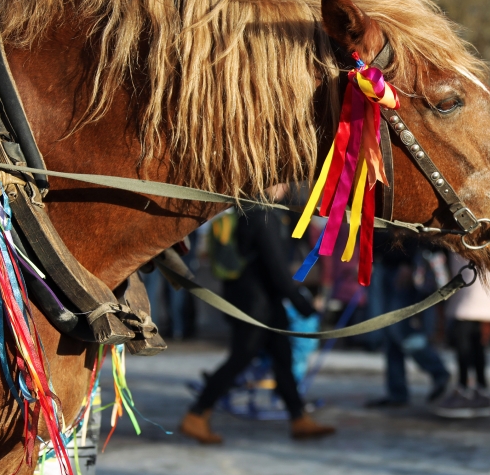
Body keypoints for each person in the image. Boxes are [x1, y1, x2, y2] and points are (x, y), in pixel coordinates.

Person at [179, 186, 335, 443]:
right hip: (256, 306)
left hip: (264, 303)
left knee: (282, 359)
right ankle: (196, 415)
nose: (285, 186)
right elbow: (277, 269)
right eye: (279, 181)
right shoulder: (262, 217)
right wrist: (302, 305)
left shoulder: (256, 213)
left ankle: (298, 418)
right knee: (241, 358)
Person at [364, 237, 450, 408]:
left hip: (403, 266)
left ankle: (438, 370)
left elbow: (417, 231)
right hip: (381, 263)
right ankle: (397, 392)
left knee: (399, 329)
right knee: (388, 333)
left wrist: (409, 261)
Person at [434, 253, 490, 418]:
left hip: (474, 285)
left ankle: (466, 388)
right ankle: (478, 389)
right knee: (475, 343)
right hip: (475, 284)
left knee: (466, 342)